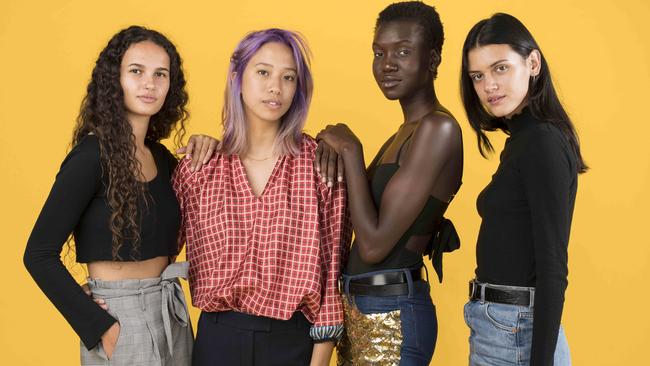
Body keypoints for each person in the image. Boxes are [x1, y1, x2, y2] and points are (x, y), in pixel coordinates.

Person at [24, 25, 217, 365]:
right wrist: (100, 327)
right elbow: (38, 254)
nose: (150, 83)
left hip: (172, 309)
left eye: (161, 74)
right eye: (136, 71)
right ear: (114, 80)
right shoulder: (91, 156)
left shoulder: (163, 159)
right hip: (121, 322)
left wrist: (212, 146)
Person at [171, 28, 351, 366]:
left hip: (294, 342)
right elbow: (157, 254)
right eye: (263, 72)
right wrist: (101, 291)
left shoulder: (320, 167)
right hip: (217, 340)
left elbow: (332, 280)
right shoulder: (199, 169)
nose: (275, 88)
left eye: (288, 77)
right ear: (237, 76)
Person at [316, 2, 463, 365]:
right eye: (379, 52)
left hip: (392, 316)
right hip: (362, 310)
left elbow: (375, 245)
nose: (387, 64)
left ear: (433, 59)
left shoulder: (437, 129)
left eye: (402, 51)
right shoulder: (405, 133)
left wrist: (350, 150)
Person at [460, 13, 587, 366]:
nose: (489, 86)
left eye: (500, 68)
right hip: (502, 326)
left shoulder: (541, 142)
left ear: (532, 63)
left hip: (516, 332)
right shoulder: (523, 140)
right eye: (478, 76)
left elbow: (552, 266)